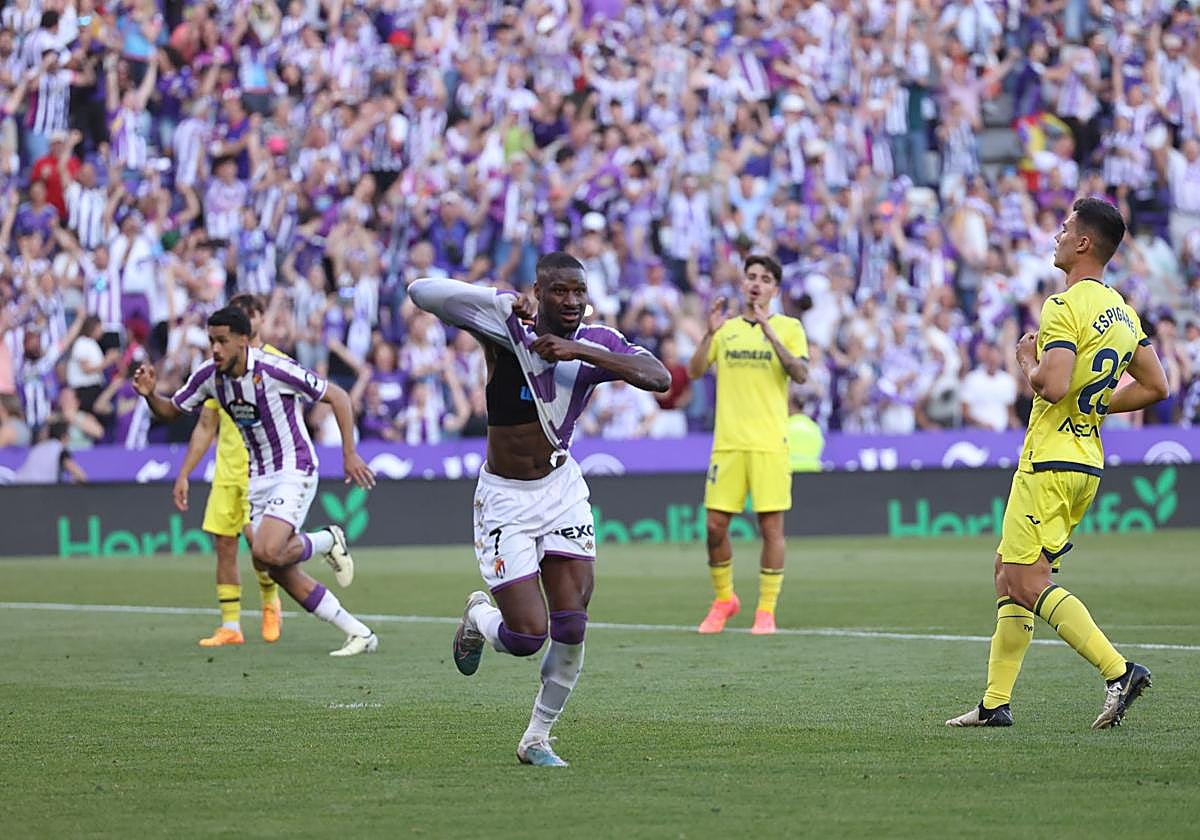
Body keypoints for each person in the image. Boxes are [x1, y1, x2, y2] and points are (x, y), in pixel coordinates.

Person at [408, 252, 670, 767]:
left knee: (572, 623)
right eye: (559, 292)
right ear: (540, 290)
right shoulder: (505, 327)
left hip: (561, 489)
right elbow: (422, 291)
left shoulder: (593, 342)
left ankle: (536, 738)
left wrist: (578, 351)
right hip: (505, 497)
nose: (570, 301)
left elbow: (658, 377)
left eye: (578, 292)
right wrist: (500, 298)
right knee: (527, 637)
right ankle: (479, 616)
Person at [947, 198, 1169, 730]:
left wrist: (1026, 360)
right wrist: (1097, 404)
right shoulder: (1121, 311)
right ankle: (994, 704)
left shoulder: (1063, 306)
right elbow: (1158, 385)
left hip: (1048, 460)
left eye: (1066, 227)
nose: (1058, 235)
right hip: (1085, 461)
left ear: (1085, 243)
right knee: (1009, 572)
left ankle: (1119, 671)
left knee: (1025, 581)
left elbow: (1052, 383)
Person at [132, 307, 380, 657]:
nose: (215, 349)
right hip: (257, 477)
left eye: (222, 341)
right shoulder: (209, 377)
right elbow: (172, 410)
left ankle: (326, 540)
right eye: (211, 341)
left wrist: (349, 453)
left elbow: (337, 396)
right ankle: (358, 632)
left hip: (293, 468)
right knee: (271, 565)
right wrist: (148, 395)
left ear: (243, 340)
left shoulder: (273, 368)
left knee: (265, 551)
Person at [171, 293, 339, 648]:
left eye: (251, 315)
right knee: (223, 544)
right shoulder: (216, 371)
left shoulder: (274, 363)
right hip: (226, 467)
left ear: (257, 322)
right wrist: (185, 471)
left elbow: (301, 412)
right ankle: (230, 625)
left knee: (260, 547)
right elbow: (205, 425)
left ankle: (270, 605)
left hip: (265, 469)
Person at [686, 255, 809, 636]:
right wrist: (709, 333)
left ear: (775, 288)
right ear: (743, 284)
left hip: (770, 443)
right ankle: (725, 599)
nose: (756, 283)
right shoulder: (726, 330)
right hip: (728, 444)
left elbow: (801, 374)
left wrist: (770, 334)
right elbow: (693, 371)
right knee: (714, 527)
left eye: (765, 279)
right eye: (751, 277)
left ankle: (766, 611)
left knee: (770, 528)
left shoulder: (789, 327)